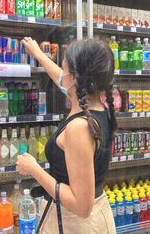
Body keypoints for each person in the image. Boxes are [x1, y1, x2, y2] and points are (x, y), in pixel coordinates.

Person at [17, 37, 117, 234]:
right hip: (98, 215)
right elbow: (61, 80)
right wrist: (39, 55)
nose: (62, 74)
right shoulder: (98, 107)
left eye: (65, 70)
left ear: (75, 78)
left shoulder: (78, 128)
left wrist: (34, 169)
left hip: (75, 224)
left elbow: (82, 207)